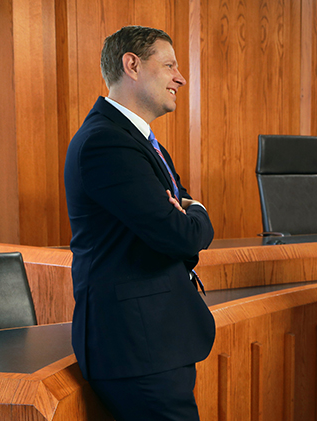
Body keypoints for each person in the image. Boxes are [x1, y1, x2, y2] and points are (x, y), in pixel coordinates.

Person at [64, 25, 215, 420]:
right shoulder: (106, 143)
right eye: (169, 65)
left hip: (155, 343)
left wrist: (186, 210)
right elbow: (182, 234)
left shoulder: (143, 142)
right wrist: (197, 209)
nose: (180, 78)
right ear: (131, 65)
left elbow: (178, 216)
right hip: (137, 350)